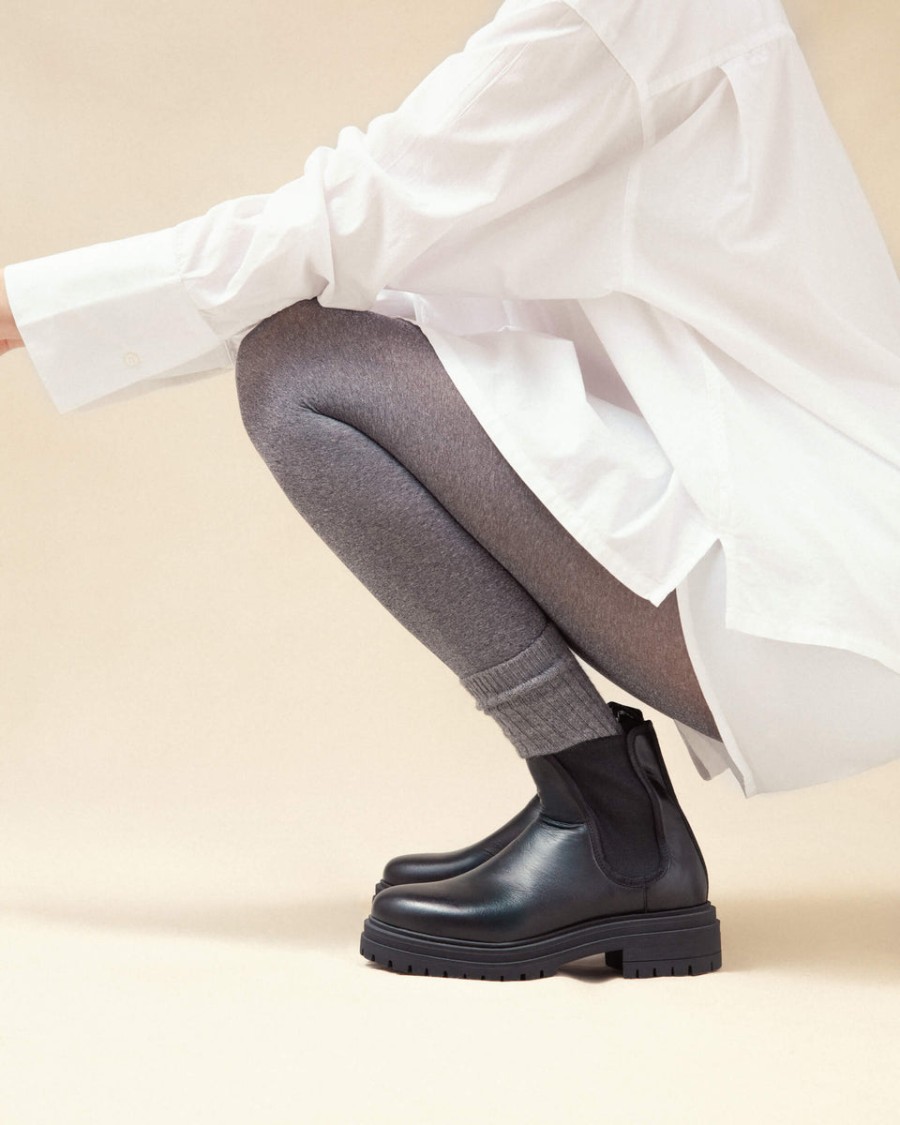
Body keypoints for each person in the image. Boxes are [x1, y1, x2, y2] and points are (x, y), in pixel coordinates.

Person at [2, 0, 899, 982]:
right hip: (810, 573)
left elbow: (352, 212)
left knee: (302, 372)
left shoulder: (619, 12)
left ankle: (610, 827)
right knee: (347, 335)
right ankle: (600, 811)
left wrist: (24, 308)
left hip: (805, 603)